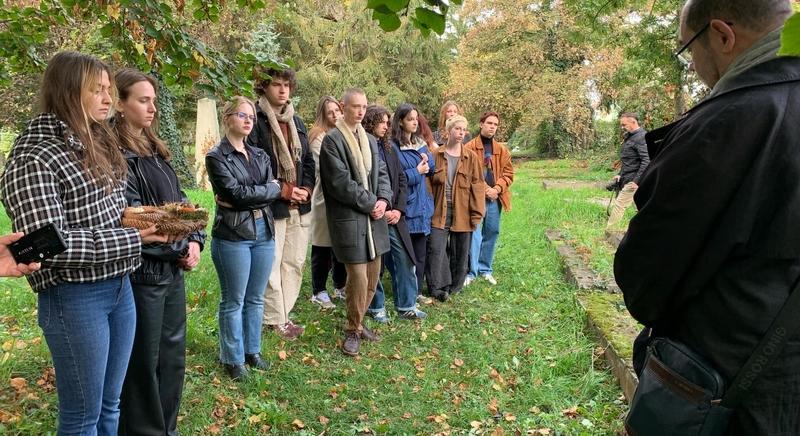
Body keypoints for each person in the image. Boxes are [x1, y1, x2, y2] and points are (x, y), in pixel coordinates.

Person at [614, 0, 800, 433]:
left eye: (687, 48)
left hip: (724, 387)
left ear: (721, 35)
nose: (693, 63)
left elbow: (646, 278)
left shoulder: (728, 121)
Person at [0, 51, 168, 435]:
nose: (109, 98)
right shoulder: (36, 154)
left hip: (119, 287)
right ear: (67, 91)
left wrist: (153, 218)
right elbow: (47, 245)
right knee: (82, 419)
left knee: (111, 406)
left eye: (109, 89)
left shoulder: (95, 138)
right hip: (74, 296)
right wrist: (133, 237)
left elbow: (110, 209)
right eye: (98, 90)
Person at [114, 68, 206, 436]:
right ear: (120, 104)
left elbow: (187, 209)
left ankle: (167, 428)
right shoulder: (115, 156)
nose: (152, 107)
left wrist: (196, 242)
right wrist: (180, 235)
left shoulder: (155, 150)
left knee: (172, 360)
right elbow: (136, 221)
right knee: (143, 366)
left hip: (172, 273)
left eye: (153, 99)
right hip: (143, 275)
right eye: (142, 100)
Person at [206, 96, 282, 380]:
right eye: (242, 115)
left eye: (251, 115)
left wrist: (260, 192)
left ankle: (253, 351)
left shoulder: (260, 155)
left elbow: (273, 189)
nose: (249, 120)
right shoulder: (216, 156)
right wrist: (264, 191)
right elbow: (234, 194)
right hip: (233, 235)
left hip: (264, 232)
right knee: (234, 299)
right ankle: (233, 358)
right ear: (228, 118)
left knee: (256, 298)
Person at [319, 88, 392, 356]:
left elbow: (381, 173)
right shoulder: (332, 141)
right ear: (343, 106)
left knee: (374, 275)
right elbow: (341, 184)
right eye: (355, 106)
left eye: (364, 106)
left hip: (374, 219)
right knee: (358, 278)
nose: (361, 111)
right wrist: (372, 203)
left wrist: (383, 199)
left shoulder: (370, 140)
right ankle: (352, 329)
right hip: (351, 219)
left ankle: (359, 324)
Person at [248, 67, 315, 340]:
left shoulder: (296, 121)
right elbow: (253, 164)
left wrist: (307, 189)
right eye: (276, 84)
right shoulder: (255, 119)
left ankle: (284, 314)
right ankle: (274, 319)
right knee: (272, 264)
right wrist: (287, 190)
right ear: (264, 87)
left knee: (295, 262)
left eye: (286, 85)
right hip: (273, 204)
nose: (282, 90)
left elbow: (308, 161)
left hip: (300, 205)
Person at [362, 105, 427, 323]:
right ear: (370, 123)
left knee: (405, 258)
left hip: (394, 215)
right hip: (371, 214)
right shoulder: (362, 147)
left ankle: (407, 305)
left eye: (388, 122)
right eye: (382, 122)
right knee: (375, 264)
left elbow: (400, 179)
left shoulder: (389, 148)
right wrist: (380, 207)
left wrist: (398, 209)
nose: (386, 126)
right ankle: (376, 306)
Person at [427, 115, 485, 302]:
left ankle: (455, 287)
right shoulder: (436, 155)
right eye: (457, 129)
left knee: (460, 252)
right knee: (436, 249)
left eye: (463, 130)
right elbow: (427, 185)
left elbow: (478, 186)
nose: (460, 133)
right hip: (439, 211)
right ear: (448, 131)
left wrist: (477, 214)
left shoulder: (471, 158)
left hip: (463, 212)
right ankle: (437, 286)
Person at [390, 104, 436, 304]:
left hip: (423, 204)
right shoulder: (393, 147)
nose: (415, 122)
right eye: (410, 119)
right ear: (400, 121)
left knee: (420, 253)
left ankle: (416, 292)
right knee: (405, 256)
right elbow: (396, 178)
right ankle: (404, 292)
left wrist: (427, 162)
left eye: (416, 118)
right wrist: (417, 171)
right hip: (406, 205)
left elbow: (432, 167)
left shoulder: (419, 142)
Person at [464, 111, 514, 287]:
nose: (492, 127)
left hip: (495, 199)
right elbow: (467, 173)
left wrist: (497, 189)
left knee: (492, 231)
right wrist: (485, 189)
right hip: (476, 197)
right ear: (481, 124)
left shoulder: (501, 150)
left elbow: (508, 173)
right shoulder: (469, 147)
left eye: (495, 124)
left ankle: (485, 268)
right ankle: (471, 271)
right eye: (489, 123)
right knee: (475, 233)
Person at [308, 96, 346, 309]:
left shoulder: (341, 133)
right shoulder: (318, 137)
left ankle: (340, 285)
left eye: (337, 110)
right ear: (322, 114)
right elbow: (327, 166)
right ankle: (318, 290)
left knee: (340, 243)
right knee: (322, 246)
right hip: (324, 196)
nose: (335, 115)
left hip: (341, 196)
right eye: (330, 112)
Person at [605, 112, 649, 230]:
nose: (622, 127)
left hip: (634, 180)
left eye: (624, 125)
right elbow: (629, 160)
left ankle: (610, 231)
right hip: (627, 177)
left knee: (619, 205)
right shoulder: (630, 137)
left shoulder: (641, 137)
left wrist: (636, 181)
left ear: (633, 122)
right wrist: (620, 174)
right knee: (641, 205)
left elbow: (646, 160)